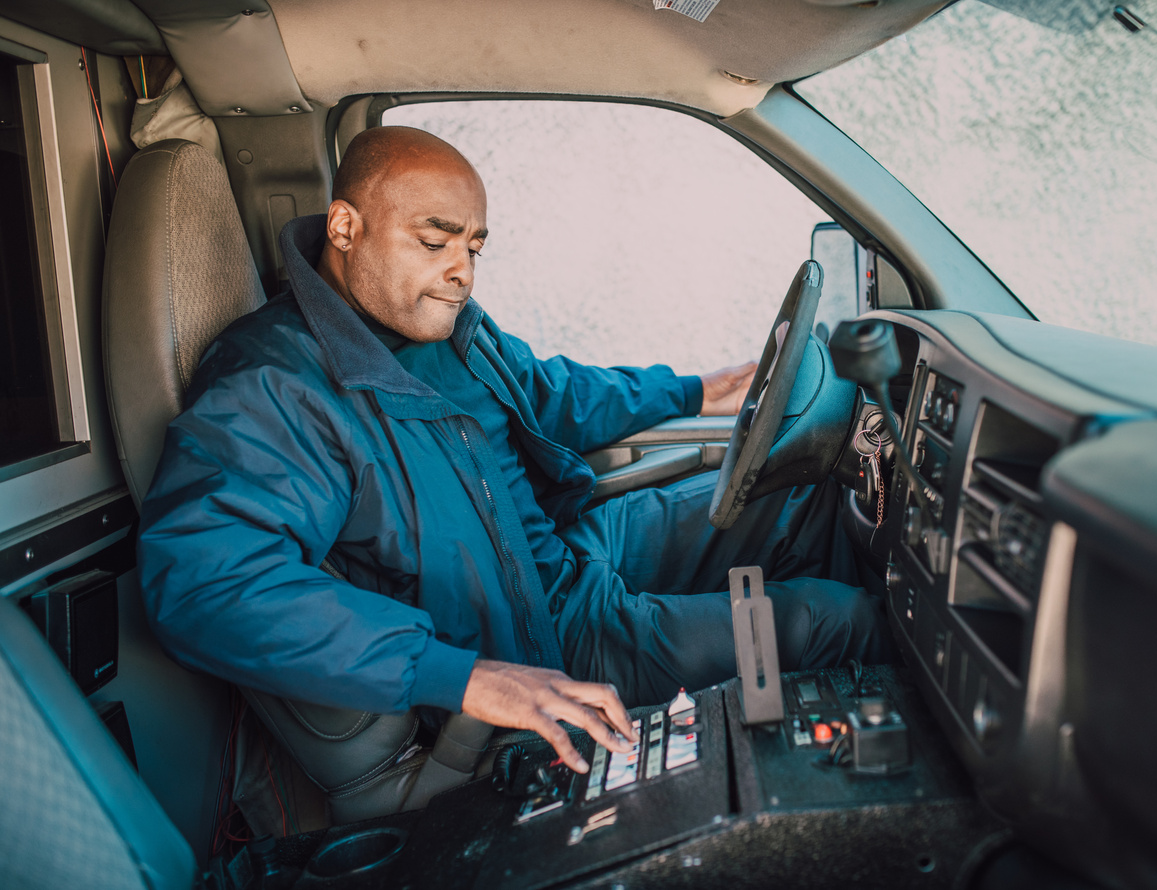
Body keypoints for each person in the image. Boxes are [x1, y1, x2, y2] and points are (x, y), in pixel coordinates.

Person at [138, 126, 889, 772]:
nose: (461, 270)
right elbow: (205, 583)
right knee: (838, 621)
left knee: (800, 497)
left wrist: (701, 390)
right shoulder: (274, 386)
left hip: (565, 556)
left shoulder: (442, 319)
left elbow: (547, 394)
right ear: (344, 228)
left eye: (472, 245)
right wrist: (466, 678)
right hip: (539, 638)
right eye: (434, 242)